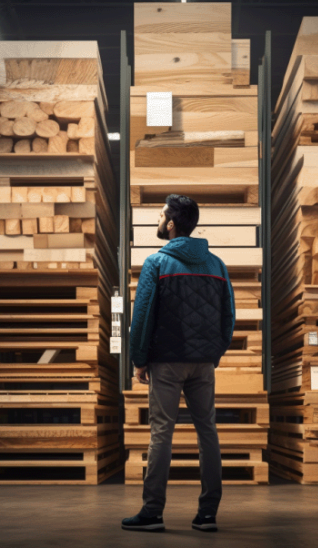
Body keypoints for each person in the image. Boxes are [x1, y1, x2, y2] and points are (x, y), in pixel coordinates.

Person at [121, 194, 235, 534]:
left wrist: (140, 359)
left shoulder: (156, 263)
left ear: (171, 224)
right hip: (203, 364)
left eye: (160, 216)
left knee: (161, 434)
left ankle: (153, 512)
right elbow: (228, 318)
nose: (157, 221)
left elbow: (141, 317)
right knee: (208, 433)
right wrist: (213, 353)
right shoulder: (216, 265)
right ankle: (207, 514)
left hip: (167, 362)